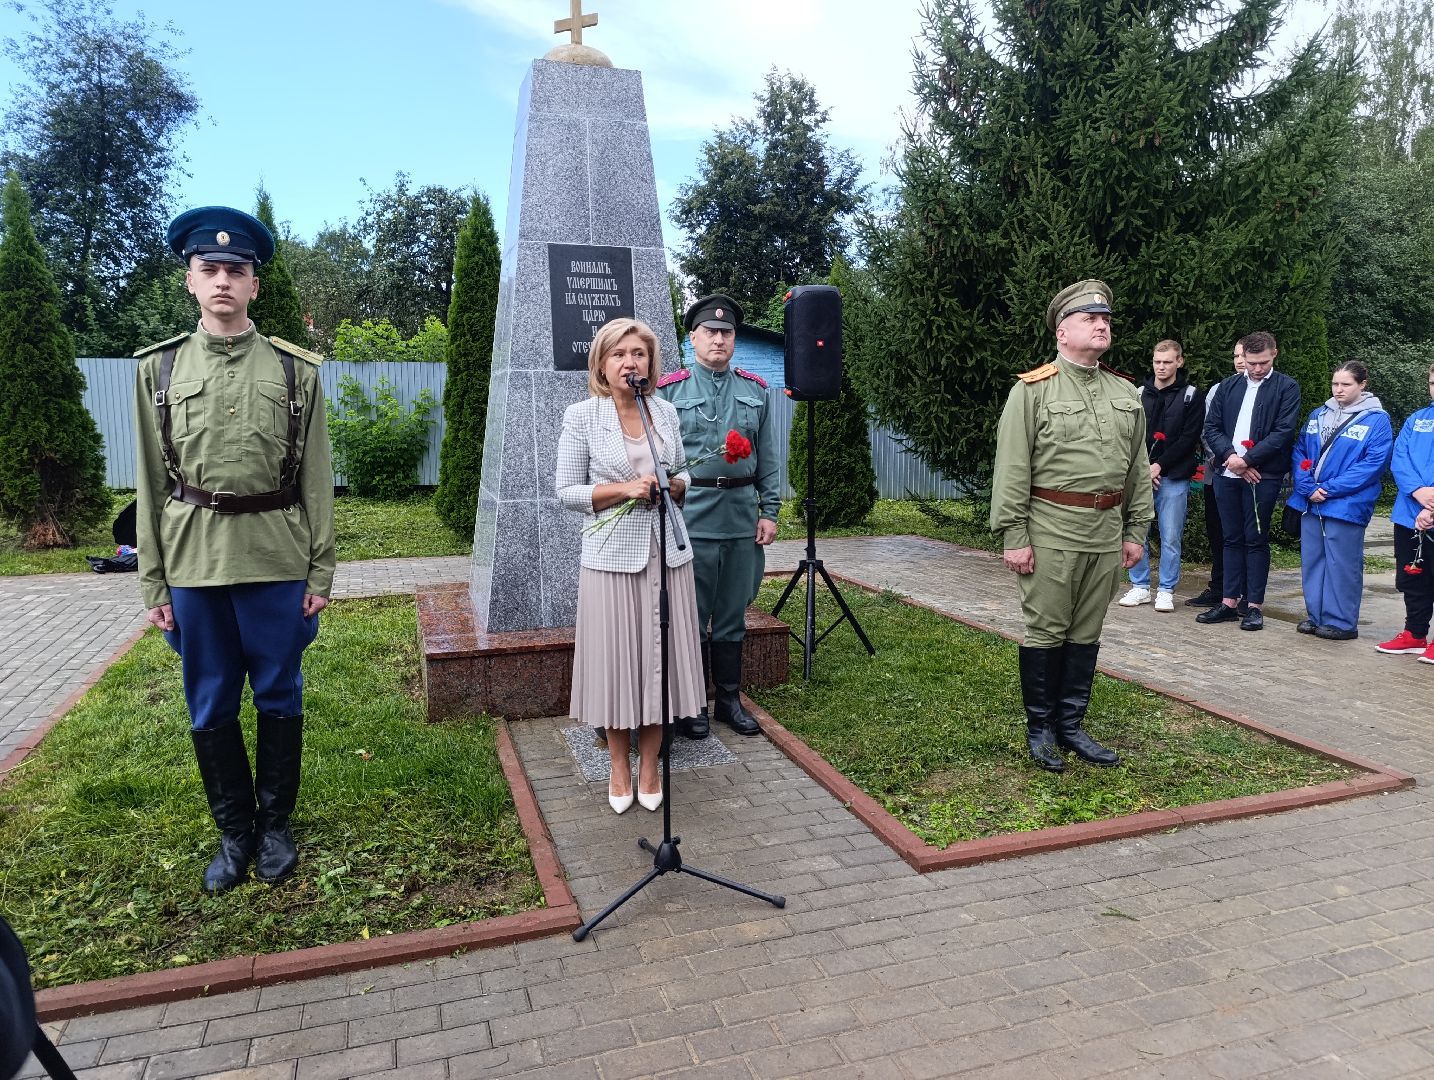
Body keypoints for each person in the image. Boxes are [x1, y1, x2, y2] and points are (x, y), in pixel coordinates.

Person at [134, 207, 335, 893]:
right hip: (193, 563)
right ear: (190, 281)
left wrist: (321, 569)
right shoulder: (157, 369)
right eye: (209, 269)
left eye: (236, 270)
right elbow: (150, 480)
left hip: (276, 556)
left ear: (254, 284)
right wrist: (154, 584)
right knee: (210, 701)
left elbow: (314, 476)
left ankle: (275, 825)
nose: (223, 279)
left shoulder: (292, 370)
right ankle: (234, 831)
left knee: (279, 692)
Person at [991, 280, 1153, 771]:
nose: (1102, 325)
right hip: (1050, 529)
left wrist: (1135, 531)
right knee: (1046, 630)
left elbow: (1137, 466)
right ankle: (1040, 728)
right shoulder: (1032, 390)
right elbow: (1013, 468)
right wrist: (1014, 536)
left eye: (1105, 319)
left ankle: (1071, 725)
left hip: (1105, 533)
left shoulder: (1125, 392)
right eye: (1090, 319)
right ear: (1063, 332)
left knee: (1087, 630)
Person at [556, 318, 706, 813]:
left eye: (639, 354)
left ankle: (650, 765)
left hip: (667, 555)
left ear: (650, 363)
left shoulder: (663, 411)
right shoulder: (582, 417)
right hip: (610, 559)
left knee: (660, 661)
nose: (630, 363)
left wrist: (676, 485)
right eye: (619, 354)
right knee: (618, 664)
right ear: (602, 363)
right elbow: (567, 492)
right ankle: (618, 766)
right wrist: (625, 489)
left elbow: (681, 468)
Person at [655, 295, 780, 739]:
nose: (719, 339)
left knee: (732, 612)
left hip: (741, 516)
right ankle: (692, 704)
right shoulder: (669, 391)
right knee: (691, 613)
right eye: (710, 331)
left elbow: (768, 457)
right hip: (693, 516)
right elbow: (663, 461)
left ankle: (728, 698)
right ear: (693, 338)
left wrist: (770, 511)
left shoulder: (756, 389)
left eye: (726, 333)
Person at [1197, 331, 1301, 631]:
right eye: (1251, 363)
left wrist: (1249, 460)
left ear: (1274, 354)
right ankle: (1228, 601)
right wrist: (1232, 458)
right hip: (1227, 472)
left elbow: (1283, 432)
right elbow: (1212, 427)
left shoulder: (1287, 387)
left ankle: (1253, 605)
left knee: (1255, 538)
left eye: (1262, 363)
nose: (1256, 369)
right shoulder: (1228, 386)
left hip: (1262, 476)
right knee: (1230, 538)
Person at [1286, 362, 1393, 641]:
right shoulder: (1318, 414)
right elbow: (1300, 451)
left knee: (1342, 564)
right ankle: (1316, 616)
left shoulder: (1377, 420)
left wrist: (1329, 489)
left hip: (1346, 504)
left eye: (1346, 384)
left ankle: (1342, 621)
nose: (1338, 390)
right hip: (1311, 501)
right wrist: (1307, 485)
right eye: (1335, 384)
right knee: (1313, 561)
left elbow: (1372, 465)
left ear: (1362, 384)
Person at [1118, 339, 1203, 612]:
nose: (1162, 367)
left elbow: (1189, 439)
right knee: (1137, 531)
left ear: (1179, 361)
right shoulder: (1139, 392)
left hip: (1173, 477)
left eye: (1168, 362)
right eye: (1157, 362)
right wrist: (1143, 469)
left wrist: (1160, 466)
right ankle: (1140, 586)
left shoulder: (1191, 395)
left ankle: (1166, 589)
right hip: (1141, 476)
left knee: (1170, 536)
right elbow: (1131, 435)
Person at [1377, 363, 1434, 661]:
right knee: (1414, 577)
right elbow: (1400, 459)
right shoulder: (1417, 419)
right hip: (1409, 512)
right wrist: (1418, 492)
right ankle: (1415, 634)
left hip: (1429, 511)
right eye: (1433, 383)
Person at [1185, 342, 1246, 608]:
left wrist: (1246, 462)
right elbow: (1208, 428)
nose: (1240, 361)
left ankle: (1246, 592)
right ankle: (1219, 587)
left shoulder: (1273, 389)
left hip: (1252, 474)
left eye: (1244, 355)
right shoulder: (1218, 390)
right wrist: (1222, 458)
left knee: (1248, 535)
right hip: (1219, 472)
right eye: (1235, 356)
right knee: (1218, 532)